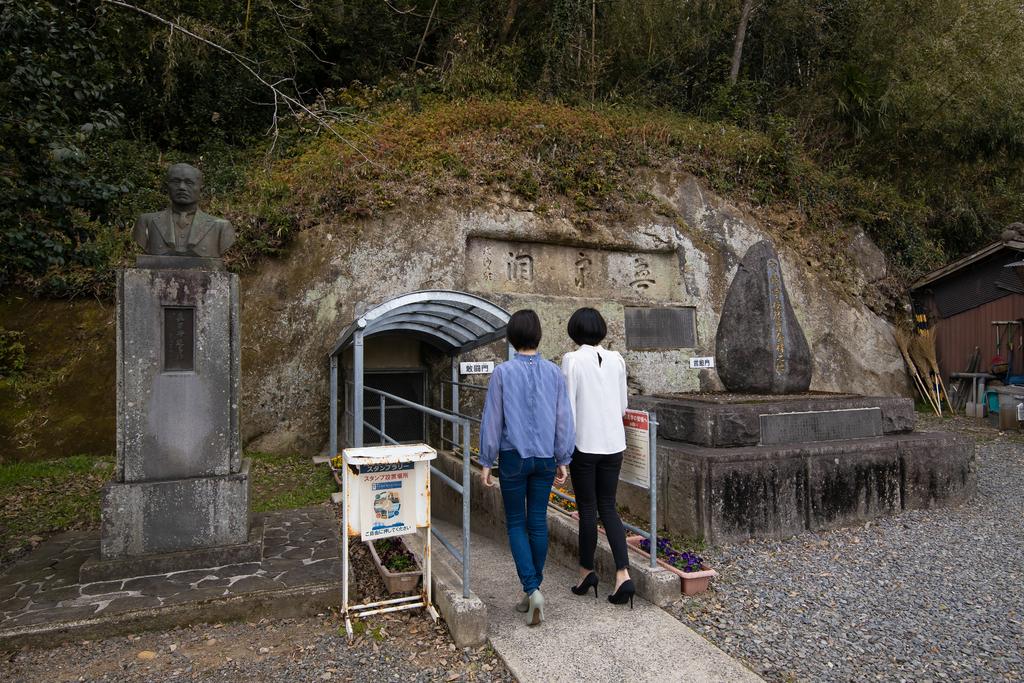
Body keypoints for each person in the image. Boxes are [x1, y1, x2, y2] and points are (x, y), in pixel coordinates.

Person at [479, 309, 575, 626]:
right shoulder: (553, 373)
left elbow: (492, 421)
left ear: (511, 337)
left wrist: (485, 461)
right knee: (537, 522)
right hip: (546, 458)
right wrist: (564, 458)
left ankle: (532, 589)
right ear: (539, 335)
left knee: (516, 524)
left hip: (512, 457)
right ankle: (532, 590)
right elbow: (564, 420)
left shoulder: (503, 373)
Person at [561, 307, 634, 607]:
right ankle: (623, 574)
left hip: (585, 446)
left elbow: (568, 408)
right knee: (609, 508)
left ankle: (586, 572)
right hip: (614, 444)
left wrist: (563, 453)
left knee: (588, 510)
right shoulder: (617, 359)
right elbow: (622, 405)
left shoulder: (572, 360)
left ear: (575, 330)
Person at [133, 163, 236, 258]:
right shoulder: (146, 222)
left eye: (189, 183)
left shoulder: (221, 227)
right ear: (167, 187)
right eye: (176, 181)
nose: (182, 187)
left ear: (201, 189)